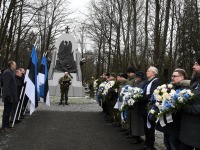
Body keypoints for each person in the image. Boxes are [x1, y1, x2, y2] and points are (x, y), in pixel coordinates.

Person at [156, 68, 188, 150]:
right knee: (167, 143)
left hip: (176, 123)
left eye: (174, 76)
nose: (172, 78)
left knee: (174, 144)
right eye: (172, 76)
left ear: (182, 77)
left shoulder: (185, 90)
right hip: (167, 123)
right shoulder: (168, 88)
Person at [179, 58, 200, 150]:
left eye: (197, 64)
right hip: (188, 128)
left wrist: (187, 108)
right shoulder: (195, 81)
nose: (193, 66)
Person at [138, 66, 160, 150]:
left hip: (150, 107)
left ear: (153, 73)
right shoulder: (148, 81)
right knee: (146, 126)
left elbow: (152, 94)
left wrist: (141, 98)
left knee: (150, 126)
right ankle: (147, 143)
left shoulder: (156, 81)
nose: (146, 72)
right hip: (145, 106)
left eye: (148, 71)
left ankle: (150, 145)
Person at [130, 71, 146, 144]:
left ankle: (137, 137)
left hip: (138, 105)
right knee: (135, 121)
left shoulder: (142, 83)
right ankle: (135, 135)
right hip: (135, 105)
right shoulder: (138, 83)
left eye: (137, 77)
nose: (136, 78)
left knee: (137, 122)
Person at [1, 61, 18, 132]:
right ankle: (4, 127)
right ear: (11, 65)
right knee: (7, 111)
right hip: (9, 96)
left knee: (8, 111)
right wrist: (8, 95)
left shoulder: (11, 72)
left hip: (11, 95)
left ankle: (7, 125)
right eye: (15, 65)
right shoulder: (8, 72)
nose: (16, 66)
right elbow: (6, 85)